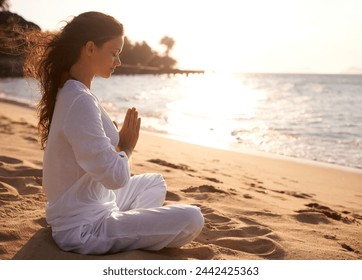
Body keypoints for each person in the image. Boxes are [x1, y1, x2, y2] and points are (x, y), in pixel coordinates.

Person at [24, 11, 204, 254]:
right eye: (114, 52)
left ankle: (128, 227)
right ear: (89, 48)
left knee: (154, 182)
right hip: (84, 227)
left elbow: (101, 166)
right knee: (192, 218)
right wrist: (126, 147)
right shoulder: (78, 100)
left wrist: (118, 148)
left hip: (94, 204)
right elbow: (116, 178)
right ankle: (128, 230)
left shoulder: (72, 90)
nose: (118, 61)